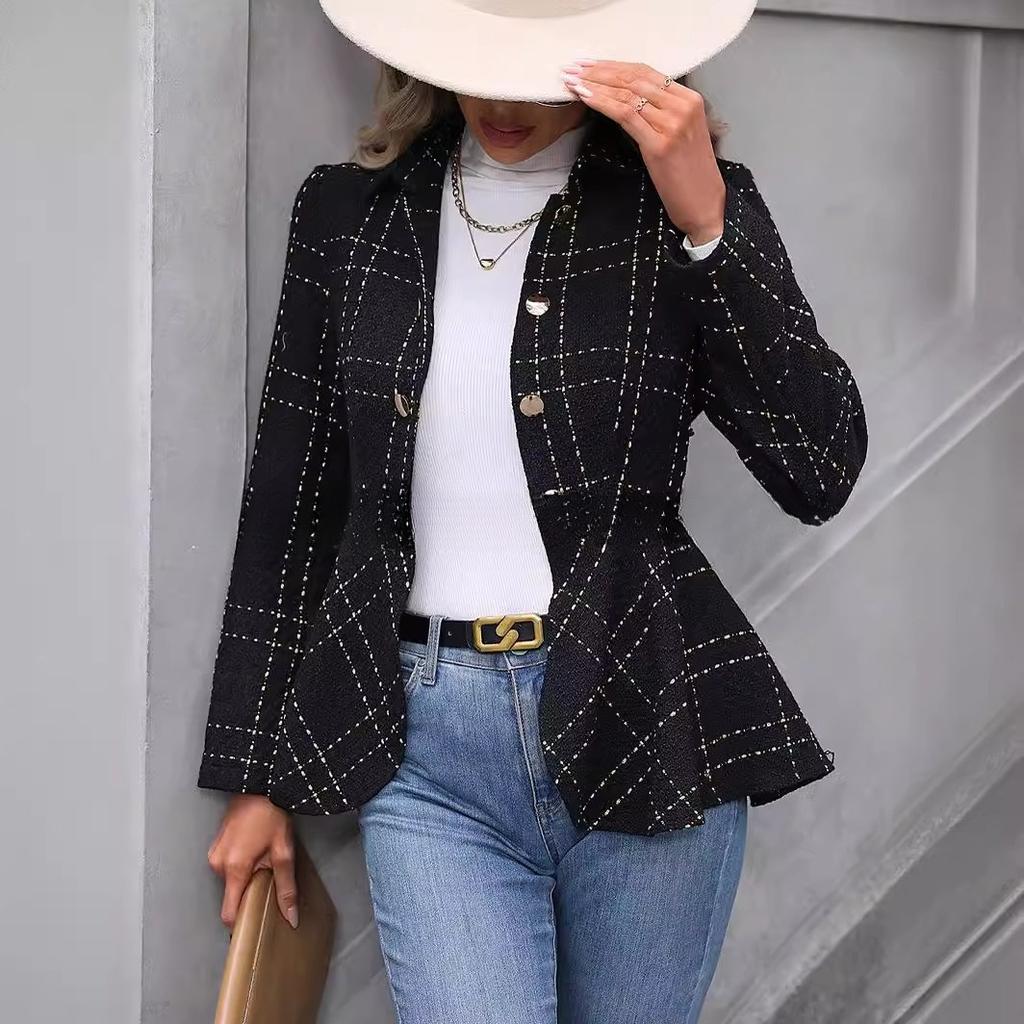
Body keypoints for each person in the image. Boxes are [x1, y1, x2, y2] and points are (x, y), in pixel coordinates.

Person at [201, 2, 868, 1021]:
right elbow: (291, 498)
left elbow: (816, 465)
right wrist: (257, 775)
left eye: (539, 69)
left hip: (641, 718)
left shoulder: (679, 209)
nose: (504, 99)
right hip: (425, 757)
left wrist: (708, 229)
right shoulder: (347, 216)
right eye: (480, 61)